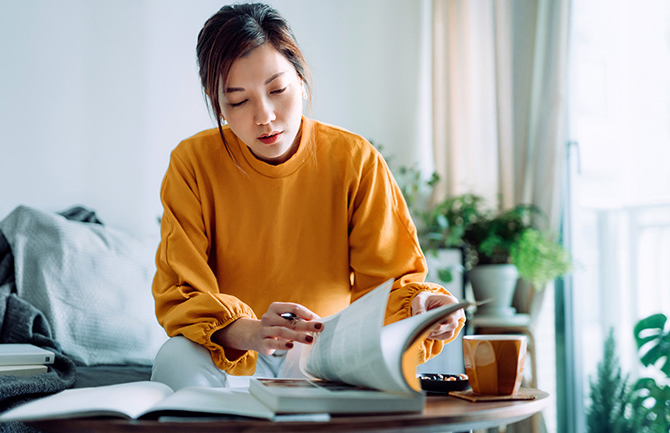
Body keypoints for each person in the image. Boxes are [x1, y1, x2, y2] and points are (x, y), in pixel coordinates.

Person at [150, 2, 465, 391]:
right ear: (218, 105)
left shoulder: (355, 159)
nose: (263, 115)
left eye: (277, 89)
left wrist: (422, 309)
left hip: (325, 357)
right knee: (175, 357)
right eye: (238, 101)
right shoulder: (192, 163)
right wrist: (251, 331)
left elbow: (392, 281)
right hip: (234, 358)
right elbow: (181, 292)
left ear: (300, 79)